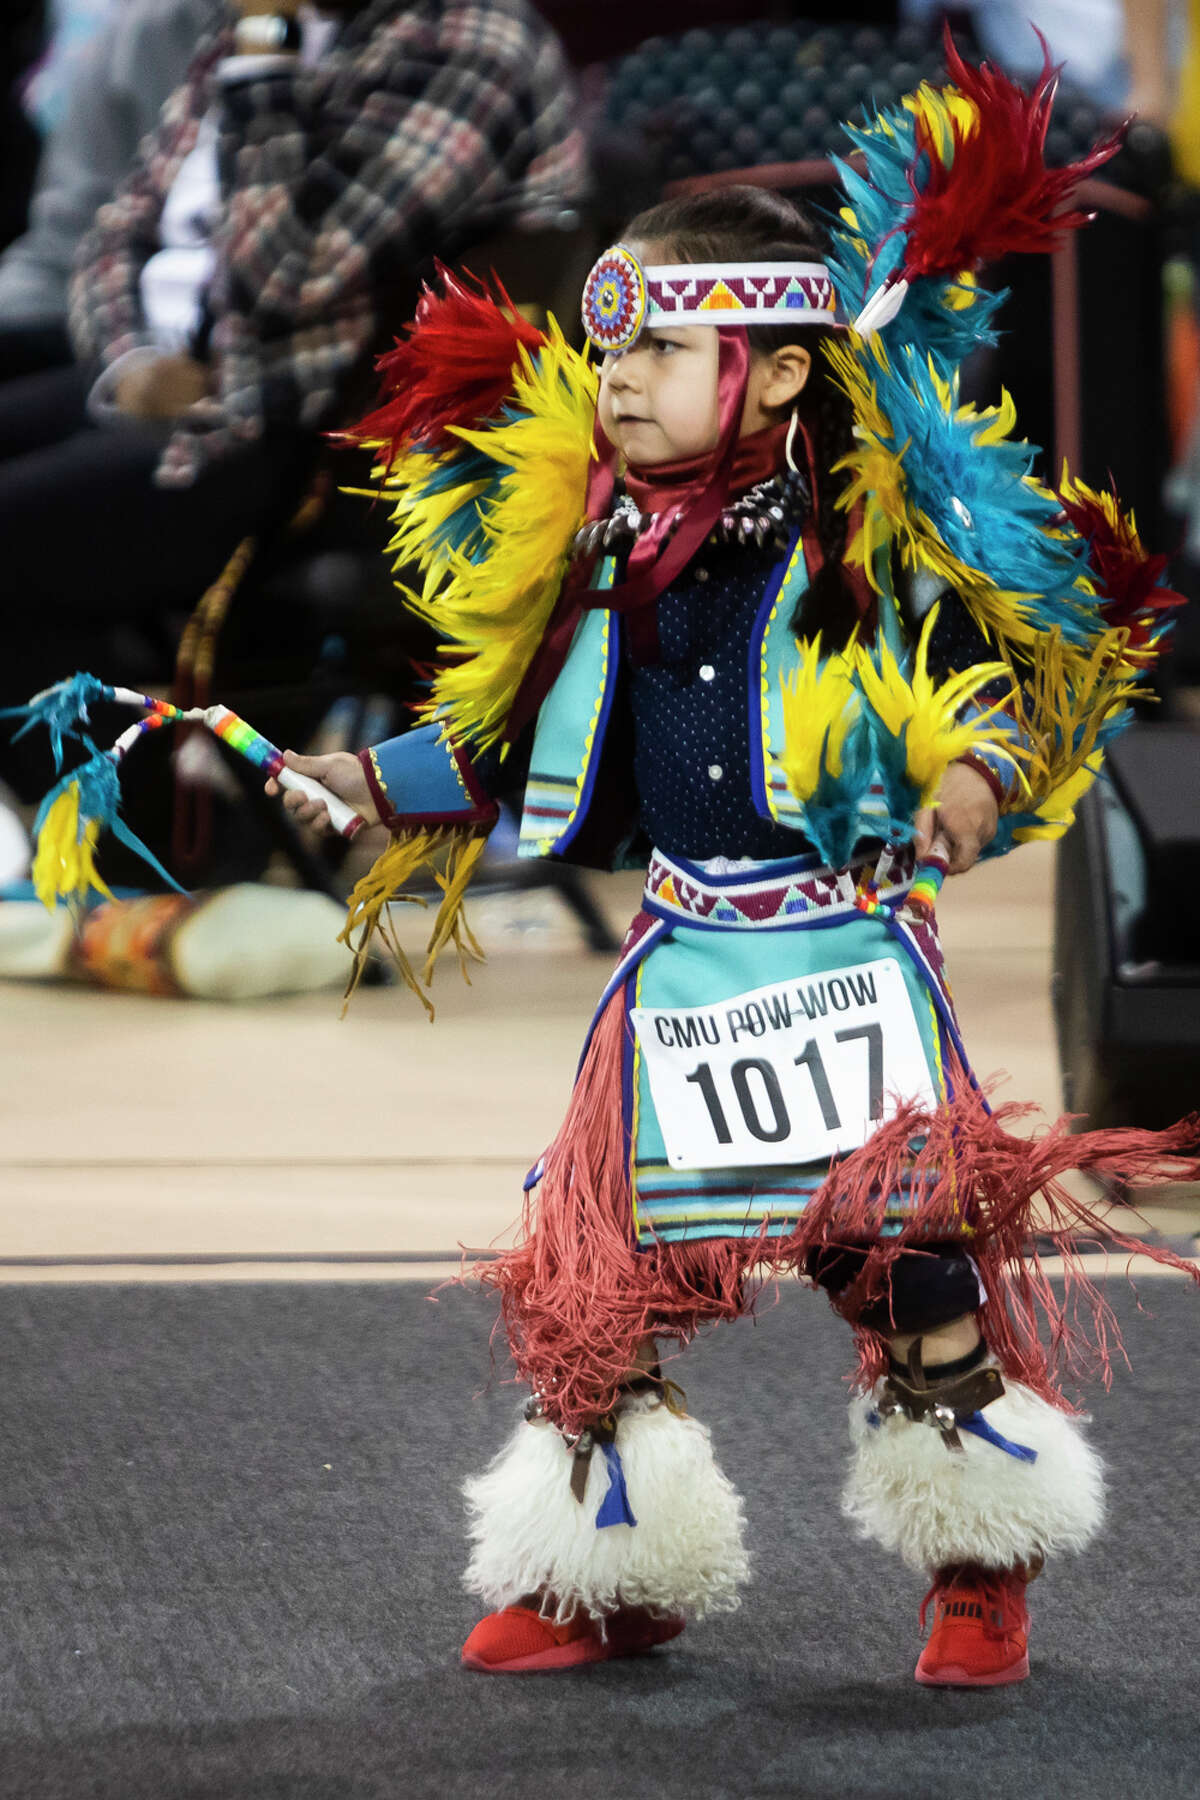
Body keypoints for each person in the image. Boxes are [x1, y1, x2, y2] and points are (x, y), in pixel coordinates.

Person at [268, 52, 1196, 1689]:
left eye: (664, 353)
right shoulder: (599, 560)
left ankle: (979, 1565)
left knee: (910, 1273)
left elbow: (979, 700)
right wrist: (360, 775)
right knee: (591, 1276)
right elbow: (497, 749)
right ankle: (608, 1569)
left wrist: (972, 788)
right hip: (680, 972)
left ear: (774, 381)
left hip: (843, 966)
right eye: (607, 348)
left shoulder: (866, 552)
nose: (617, 385)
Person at [0, 0, 584, 792]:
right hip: (168, 386)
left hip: (306, 440)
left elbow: (287, 269)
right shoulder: (277, 28)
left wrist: (264, 66)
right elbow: (115, 229)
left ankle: (144, 846)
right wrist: (129, 359)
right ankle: (151, 821)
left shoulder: (477, 44)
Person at [0, 0, 218, 383]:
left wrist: (131, 362)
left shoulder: (170, 22)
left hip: (168, 344)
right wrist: (127, 360)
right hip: (81, 297)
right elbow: (101, 233)